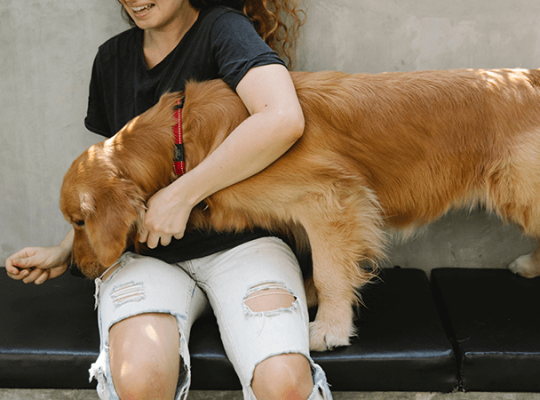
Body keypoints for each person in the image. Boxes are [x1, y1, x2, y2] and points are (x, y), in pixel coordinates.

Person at [6, 0, 332, 399]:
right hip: (147, 259)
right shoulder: (112, 59)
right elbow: (113, 186)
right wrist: (67, 248)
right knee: (140, 380)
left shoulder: (222, 31)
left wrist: (180, 195)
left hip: (245, 245)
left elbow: (283, 118)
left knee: (284, 385)